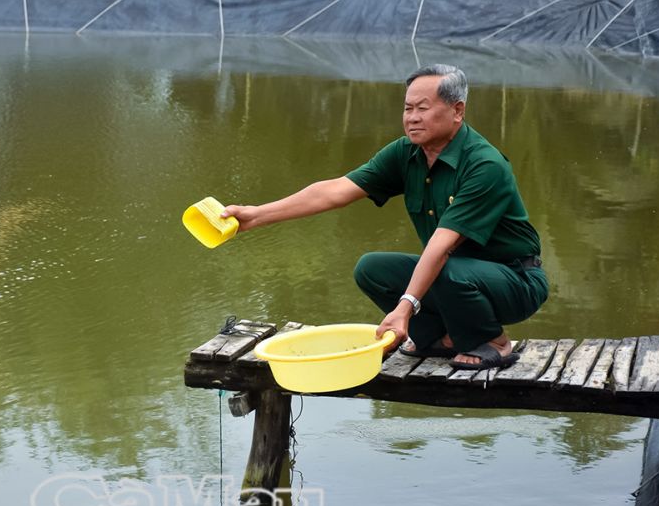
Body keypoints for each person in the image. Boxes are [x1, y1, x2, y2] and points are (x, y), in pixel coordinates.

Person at [221, 64, 548, 370]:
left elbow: (440, 247)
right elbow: (335, 191)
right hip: (454, 277)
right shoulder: (405, 154)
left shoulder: (484, 165)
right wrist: (255, 215)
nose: (412, 118)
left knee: (445, 268)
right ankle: (441, 337)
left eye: (423, 108)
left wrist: (404, 308)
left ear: (457, 110)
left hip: (515, 282)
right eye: (408, 108)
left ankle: (494, 341)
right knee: (372, 269)